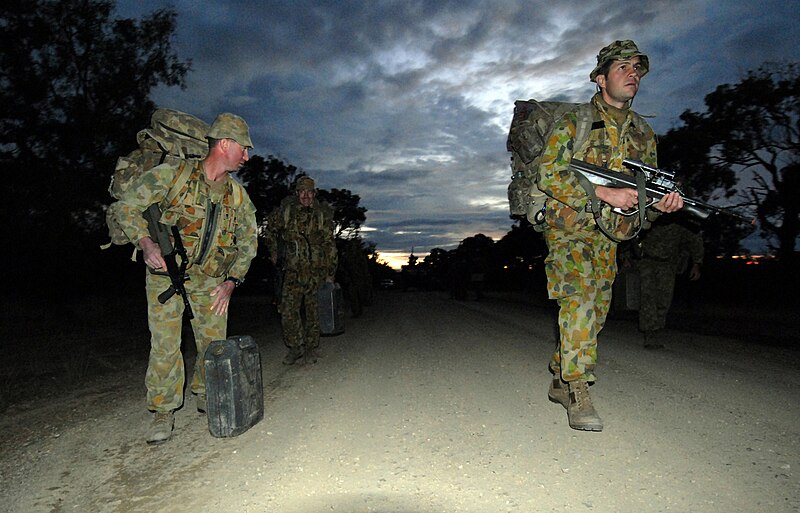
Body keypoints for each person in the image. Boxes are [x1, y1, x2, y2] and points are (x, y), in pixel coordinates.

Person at [537, 40, 684, 431]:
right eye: (623, 67)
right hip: (570, 228)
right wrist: (603, 192)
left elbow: (644, 193)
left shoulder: (644, 134)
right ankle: (578, 388)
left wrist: (657, 205)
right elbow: (549, 174)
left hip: (610, 235)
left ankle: (560, 372)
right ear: (601, 79)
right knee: (580, 301)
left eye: (638, 68)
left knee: (595, 313)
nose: (633, 73)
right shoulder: (576, 122)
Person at [116, 113, 258, 444]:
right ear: (225, 144)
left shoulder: (237, 196)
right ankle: (163, 412)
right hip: (166, 276)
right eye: (244, 148)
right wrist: (145, 241)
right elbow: (126, 207)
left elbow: (249, 242)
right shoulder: (174, 175)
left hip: (211, 282)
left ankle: (206, 395)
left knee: (213, 345)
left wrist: (232, 281)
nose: (247, 157)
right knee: (165, 344)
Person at [265, 176, 338, 366]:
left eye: (309, 192)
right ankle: (295, 347)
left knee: (314, 312)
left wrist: (331, 271)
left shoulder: (322, 215)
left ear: (314, 194)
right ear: (297, 193)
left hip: (316, 272)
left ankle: (311, 348)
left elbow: (330, 244)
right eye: (302, 192)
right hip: (291, 270)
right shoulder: (285, 212)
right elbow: (270, 230)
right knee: (288, 311)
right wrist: (274, 251)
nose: (306, 195)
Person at [636, 215, 704, 349]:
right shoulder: (651, 215)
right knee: (648, 298)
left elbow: (694, 239)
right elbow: (633, 233)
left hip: (668, 265)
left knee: (664, 299)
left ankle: (657, 329)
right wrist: (626, 256)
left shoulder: (680, 220)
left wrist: (697, 263)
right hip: (647, 262)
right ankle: (650, 333)